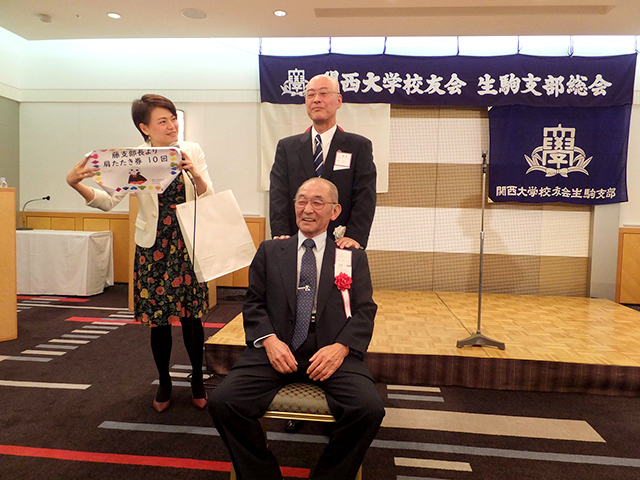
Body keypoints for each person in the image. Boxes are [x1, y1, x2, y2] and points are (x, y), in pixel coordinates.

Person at [209, 177, 385, 480]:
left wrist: (341, 347)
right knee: (224, 402)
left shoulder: (351, 256)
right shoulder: (270, 251)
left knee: (368, 409)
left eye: (318, 202)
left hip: (331, 348)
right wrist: (269, 341)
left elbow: (365, 310)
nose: (308, 208)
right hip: (277, 346)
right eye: (301, 200)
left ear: (335, 211)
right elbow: (254, 303)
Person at [66, 94, 213, 412]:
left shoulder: (191, 150)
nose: (172, 125)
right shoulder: (134, 159)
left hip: (187, 245)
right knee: (159, 320)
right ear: (145, 128)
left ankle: (198, 381)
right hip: (153, 247)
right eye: (163, 121)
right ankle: (164, 381)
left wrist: (195, 174)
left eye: (174, 119)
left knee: (192, 318)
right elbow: (108, 201)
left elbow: (208, 195)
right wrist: (75, 183)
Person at [269, 74, 377, 250]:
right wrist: (281, 234)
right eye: (311, 95)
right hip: (295, 241)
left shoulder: (358, 147)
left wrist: (354, 237)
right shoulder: (287, 147)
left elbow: (365, 197)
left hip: (340, 243)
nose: (316, 99)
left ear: (339, 101)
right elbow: (278, 195)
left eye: (323, 94)